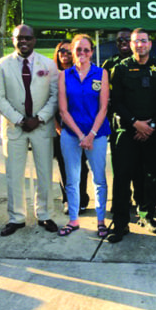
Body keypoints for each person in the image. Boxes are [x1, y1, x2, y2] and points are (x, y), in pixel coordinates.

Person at [0, 24, 59, 237]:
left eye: (28, 38)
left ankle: (45, 214)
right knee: (14, 174)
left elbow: (55, 96)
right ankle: (16, 217)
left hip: (42, 126)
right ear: (13, 40)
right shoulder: (2, 65)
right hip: (14, 127)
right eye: (19, 38)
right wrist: (20, 119)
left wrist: (40, 118)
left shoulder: (48, 64)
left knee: (44, 173)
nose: (24, 41)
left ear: (34, 40)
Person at [108, 28, 156, 243]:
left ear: (150, 44)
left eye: (143, 41)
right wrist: (136, 123)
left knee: (151, 177)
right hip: (127, 132)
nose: (139, 45)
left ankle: (147, 216)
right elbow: (116, 102)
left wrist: (150, 125)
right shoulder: (121, 68)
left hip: (153, 133)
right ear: (132, 45)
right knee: (122, 178)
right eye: (136, 41)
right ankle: (120, 223)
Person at [58, 34, 110, 237]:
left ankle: (101, 220)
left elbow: (104, 107)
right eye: (78, 49)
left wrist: (91, 135)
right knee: (72, 179)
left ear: (92, 52)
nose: (82, 53)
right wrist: (80, 135)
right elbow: (63, 110)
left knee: (99, 179)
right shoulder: (64, 75)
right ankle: (73, 219)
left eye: (86, 50)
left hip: (96, 135)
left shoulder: (101, 73)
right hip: (71, 134)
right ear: (72, 51)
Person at [102, 28, 142, 212]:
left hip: (140, 123)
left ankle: (142, 203)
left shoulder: (143, 63)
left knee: (139, 169)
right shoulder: (109, 65)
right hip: (117, 123)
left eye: (127, 39)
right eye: (119, 40)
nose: (123, 42)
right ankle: (122, 202)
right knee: (120, 168)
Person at [53, 40, 90, 215]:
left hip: (81, 129)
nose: (65, 54)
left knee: (81, 166)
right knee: (65, 166)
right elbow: (49, 103)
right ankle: (68, 199)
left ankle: (82, 198)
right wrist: (56, 126)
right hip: (60, 129)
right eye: (62, 50)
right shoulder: (52, 75)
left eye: (69, 51)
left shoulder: (81, 73)